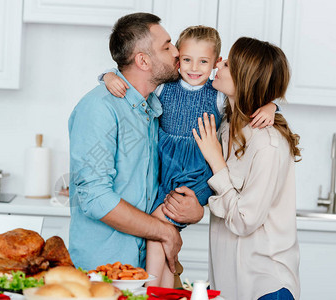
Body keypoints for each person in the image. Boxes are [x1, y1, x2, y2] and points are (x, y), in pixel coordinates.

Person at [102, 25, 278, 287]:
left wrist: (272, 105)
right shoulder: (165, 87)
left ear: (216, 63)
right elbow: (131, 80)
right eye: (186, 60)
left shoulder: (217, 94)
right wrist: (107, 75)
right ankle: (162, 290)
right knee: (163, 233)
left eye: (203, 61)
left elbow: (252, 92)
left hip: (197, 174)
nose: (194, 68)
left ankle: (149, 290)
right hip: (167, 171)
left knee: (157, 226)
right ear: (177, 59)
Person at [68, 13, 204, 274]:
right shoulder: (100, 109)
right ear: (142, 60)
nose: (177, 52)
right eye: (166, 46)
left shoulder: (152, 109)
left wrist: (193, 209)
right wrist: (163, 231)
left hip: (143, 267)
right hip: (104, 271)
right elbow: (96, 197)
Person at [192, 37, 301, 299]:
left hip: (265, 287)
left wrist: (216, 161)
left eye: (228, 63)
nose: (218, 64)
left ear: (244, 79)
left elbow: (244, 221)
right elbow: (182, 78)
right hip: (230, 283)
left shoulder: (267, 144)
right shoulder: (227, 125)